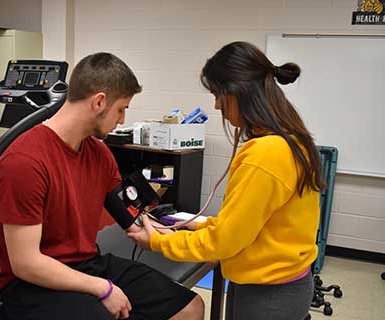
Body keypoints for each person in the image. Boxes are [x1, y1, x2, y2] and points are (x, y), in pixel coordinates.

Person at [0, 52, 204, 320]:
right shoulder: (24, 162)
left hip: (87, 265)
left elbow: (132, 218)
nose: (123, 120)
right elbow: (26, 264)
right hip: (33, 285)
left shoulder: (99, 155)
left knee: (190, 307)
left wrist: (193, 237)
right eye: (121, 109)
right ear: (99, 102)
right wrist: (102, 288)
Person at [127, 41, 326, 320]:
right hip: (277, 283)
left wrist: (159, 242)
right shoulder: (292, 140)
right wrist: (192, 227)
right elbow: (252, 224)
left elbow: (226, 241)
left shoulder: (266, 153)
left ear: (239, 92)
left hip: (269, 293)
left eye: (218, 95)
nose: (217, 105)